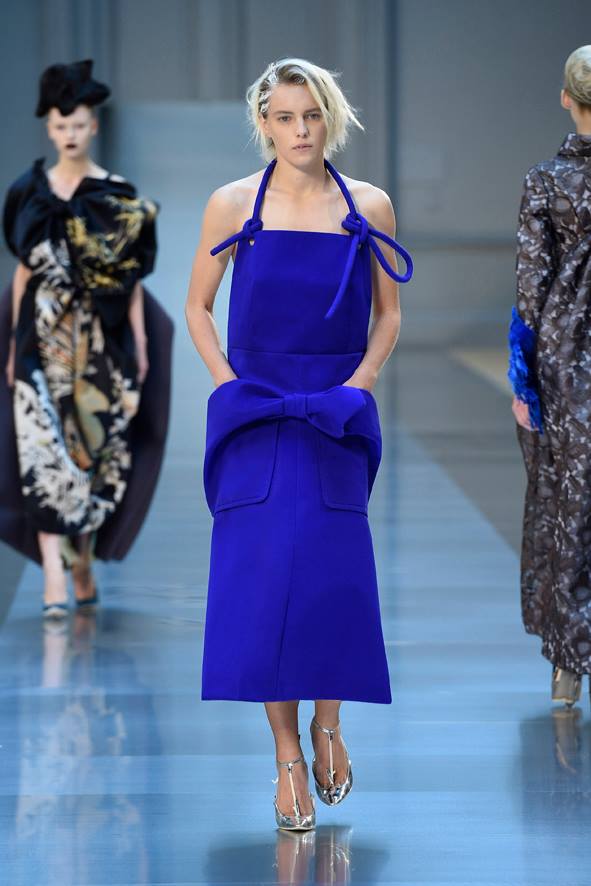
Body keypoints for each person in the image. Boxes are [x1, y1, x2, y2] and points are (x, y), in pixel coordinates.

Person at [185, 57, 412, 830]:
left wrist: (360, 384)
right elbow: (197, 307)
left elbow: (388, 313)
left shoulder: (367, 206)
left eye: (311, 114)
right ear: (264, 123)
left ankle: (329, 724)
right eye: (284, 117)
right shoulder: (231, 204)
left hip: (334, 412)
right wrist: (227, 383)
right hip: (254, 411)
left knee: (330, 581)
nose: (301, 130)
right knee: (262, 588)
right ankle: (286, 756)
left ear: (331, 116)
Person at [0, 60, 174, 618]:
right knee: (41, 447)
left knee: (95, 451)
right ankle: (54, 571)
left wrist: (141, 344)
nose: (69, 134)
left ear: (93, 126)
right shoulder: (28, 193)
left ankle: (81, 560)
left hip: (102, 337)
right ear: (48, 128)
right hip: (41, 334)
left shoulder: (117, 196)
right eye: (60, 125)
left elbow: (132, 280)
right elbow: (24, 271)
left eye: (78, 124)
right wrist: (12, 345)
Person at [508, 45, 591, 707]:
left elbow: (530, 288)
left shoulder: (546, 181)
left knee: (569, 502)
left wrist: (523, 381)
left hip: (567, 359)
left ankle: (568, 664)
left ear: (565, 98)